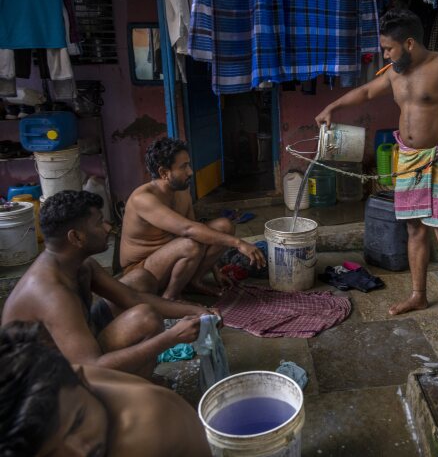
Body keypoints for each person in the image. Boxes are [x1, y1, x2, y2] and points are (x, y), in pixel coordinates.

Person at [315, 9, 438, 340]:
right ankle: (418, 294)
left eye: (389, 48)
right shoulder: (395, 71)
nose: (385, 54)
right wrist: (332, 107)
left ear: (409, 43)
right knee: (413, 229)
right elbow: (365, 93)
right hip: (407, 159)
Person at [2, 190, 215, 378]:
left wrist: (198, 311)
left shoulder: (81, 264)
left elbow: (133, 298)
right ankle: (133, 397)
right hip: (42, 381)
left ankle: (134, 381)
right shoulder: (52, 293)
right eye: (98, 222)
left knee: (140, 280)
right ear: (76, 237)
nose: (107, 227)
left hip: (78, 344)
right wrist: (172, 337)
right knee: (146, 319)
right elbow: (91, 366)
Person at [0, 321, 212, 457]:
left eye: (78, 422)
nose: (81, 451)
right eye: (51, 455)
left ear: (82, 380)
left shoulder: (143, 430)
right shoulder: (60, 385)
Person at [120, 137, 265, 299]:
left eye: (188, 164)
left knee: (225, 225)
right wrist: (239, 243)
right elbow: (188, 230)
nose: (190, 171)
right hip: (142, 272)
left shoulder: (182, 190)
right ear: (164, 173)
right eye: (183, 167)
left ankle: (193, 282)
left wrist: (215, 270)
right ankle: (170, 297)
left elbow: (198, 230)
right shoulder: (143, 199)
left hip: (175, 258)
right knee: (191, 244)